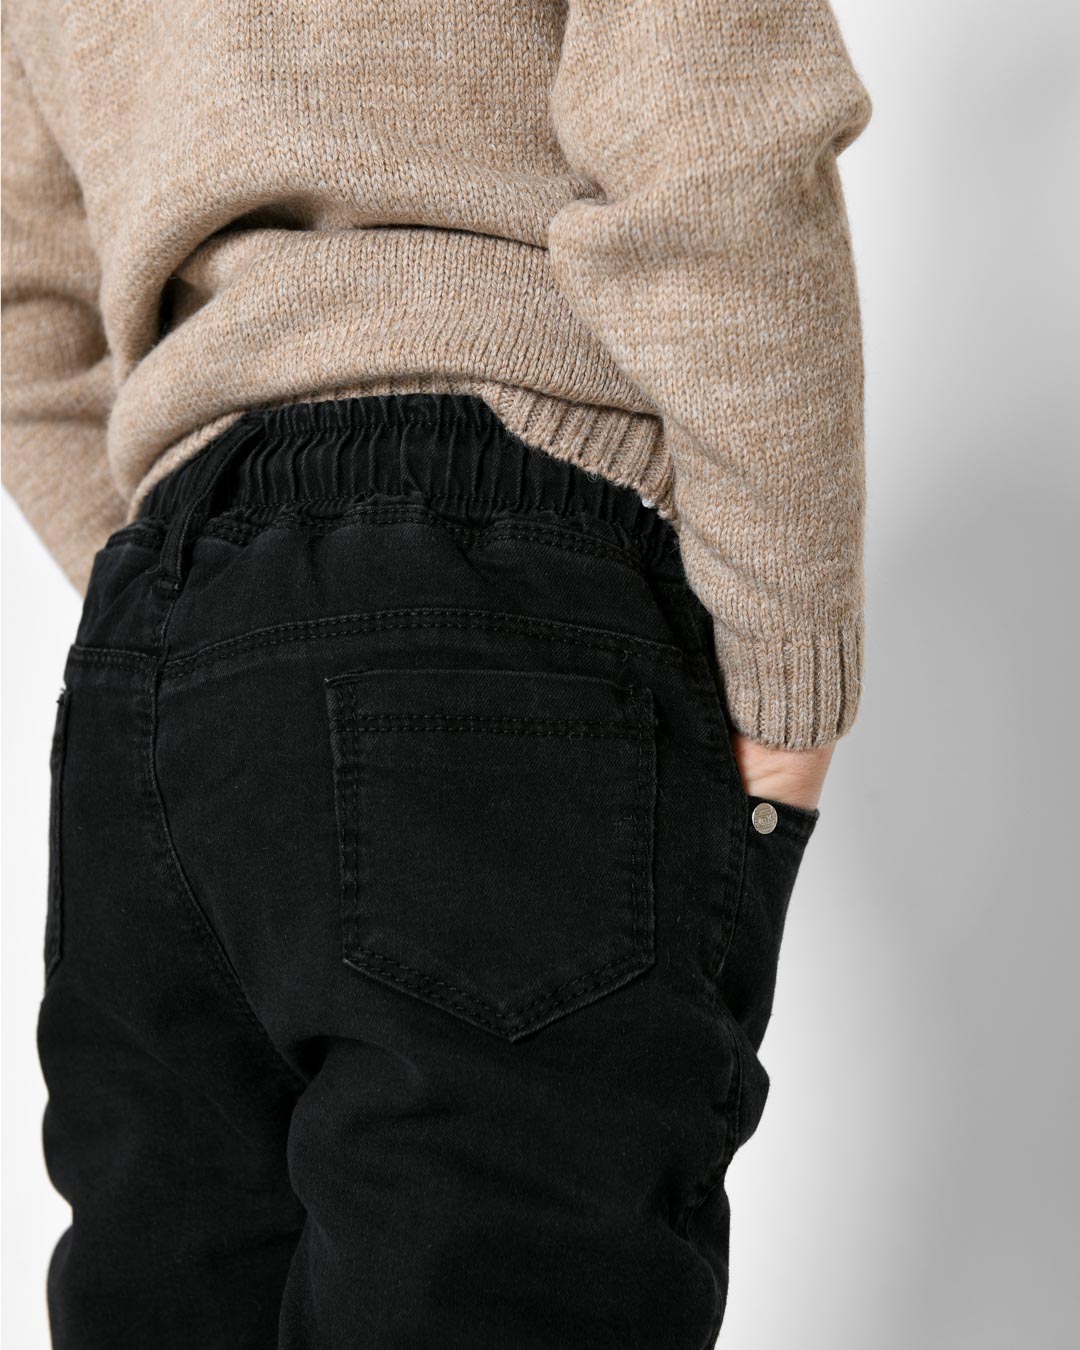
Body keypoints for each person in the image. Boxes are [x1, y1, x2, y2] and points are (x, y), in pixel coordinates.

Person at [1, 2, 872, 1345]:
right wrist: (788, 683)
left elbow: (23, 308)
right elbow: (715, 136)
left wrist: (209, 614)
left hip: (161, 641)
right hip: (504, 589)